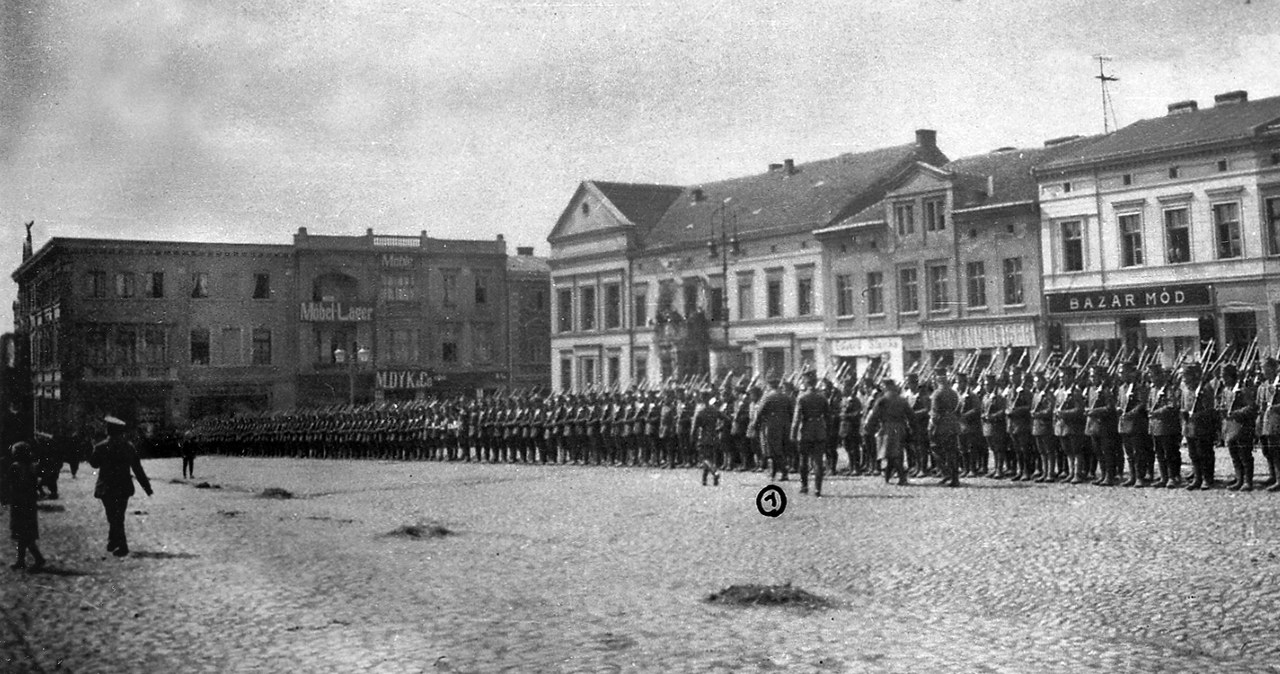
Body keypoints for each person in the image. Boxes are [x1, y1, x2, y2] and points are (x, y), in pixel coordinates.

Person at [89, 416, 153, 557]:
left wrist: (92, 447)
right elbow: (137, 469)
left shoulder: (101, 446)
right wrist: (147, 488)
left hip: (107, 487)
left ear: (108, 430)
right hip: (123, 487)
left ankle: (122, 546)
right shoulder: (128, 447)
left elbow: (94, 464)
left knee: (112, 516)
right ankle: (113, 541)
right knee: (118, 516)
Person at [865, 379, 913, 485]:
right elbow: (911, 415)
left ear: (885, 386)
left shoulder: (882, 400)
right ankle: (888, 476)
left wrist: (869, 427)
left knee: (892, 453)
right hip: (901, 427)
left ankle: (901, 477)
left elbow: (874, 415)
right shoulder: (902, 399)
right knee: (895, 452)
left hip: (888, 427)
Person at [791, 371, 830, 497]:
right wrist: (826, 431)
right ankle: (818, 489)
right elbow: (828, 417)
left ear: (806, 382)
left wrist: (793, 433)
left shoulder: (802, 397)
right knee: (818, 461)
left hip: (806, 430)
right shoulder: (822, 397)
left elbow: (796, 418)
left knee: (804, 460)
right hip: (819, 430)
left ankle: (804, 486)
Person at [8, 442, 45, 571]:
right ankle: (20, 561)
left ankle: (38, 558)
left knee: (22, 534)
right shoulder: (32, 466)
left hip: (18, 503)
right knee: (25, 534)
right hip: (29, 503)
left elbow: (12, 485)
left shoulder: (15, 466)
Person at [929, 368, 962, 487]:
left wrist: (932, 428)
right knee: (952, 451)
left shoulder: (937, 393)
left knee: (935, 449)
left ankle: (946, 473)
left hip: (941, 426)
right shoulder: (953, 392)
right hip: (952, 424)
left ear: (937, 379)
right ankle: (954, 477)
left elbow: (935, 413)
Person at [692, 390, 724, 487]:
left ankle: (714, 472)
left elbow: (695, 428)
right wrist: (719, 428)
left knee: (705, 458)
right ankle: (705, 480)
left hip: (704, 436)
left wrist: (693, 438)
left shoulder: (701, 412)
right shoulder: (715, 410)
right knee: (710, 458)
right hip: (714, 436)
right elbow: (726, 419)